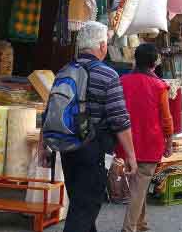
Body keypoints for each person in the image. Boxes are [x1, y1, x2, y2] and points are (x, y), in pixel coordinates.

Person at [61, 21, 137, 232]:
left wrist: (43, 146)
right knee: (84, 209)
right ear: (102, 46)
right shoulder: (108, 75)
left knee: (81, 203)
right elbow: (119, 119)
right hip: (93, 151)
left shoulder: (65, 71)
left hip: (67, 148)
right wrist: (131, 155)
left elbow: (51, 111)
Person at [118, 43, 174, 232]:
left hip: (127, 141)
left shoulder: (123, 81)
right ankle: (129, 228)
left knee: (137, 184)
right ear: (154, 62)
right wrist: (169, 142)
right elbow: (166, 119)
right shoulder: (159, 86)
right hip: (150, 142)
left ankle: (141, 223)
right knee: (139, 186)